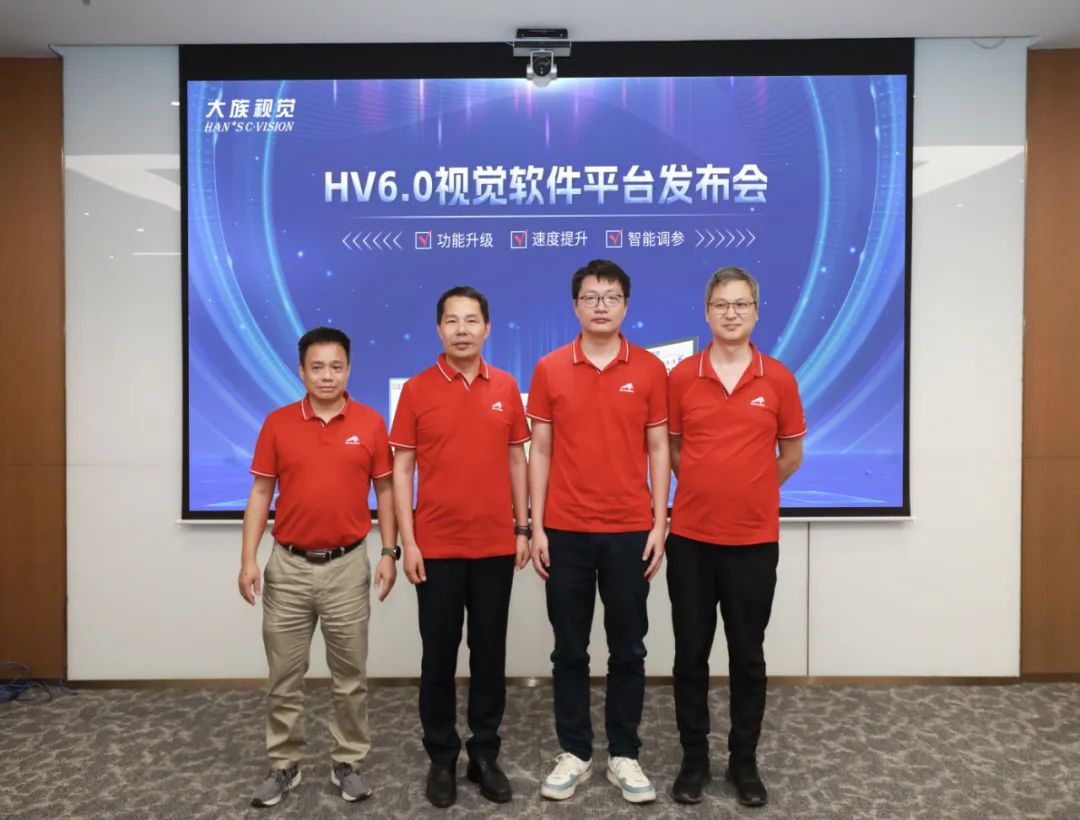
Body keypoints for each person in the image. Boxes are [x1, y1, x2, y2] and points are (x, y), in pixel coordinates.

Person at [238, 326, 399, 808]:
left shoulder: (370, 422)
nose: (327, 376)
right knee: (283, 677)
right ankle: (283, 764)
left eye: (336, 367)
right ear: (301, 371)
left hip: (347, 567)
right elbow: (261, 493)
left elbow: (386, 492)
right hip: (287, 568)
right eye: (317, 367)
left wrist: (389, 552)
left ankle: (347, 762)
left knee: (350, 678)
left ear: (348, 369)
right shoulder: (278, 423)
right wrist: (248, 558)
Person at [527, 259, 670, 804]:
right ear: (575, 306)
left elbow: (658, 448)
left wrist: (660, 521)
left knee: (628, 648)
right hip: (565, 531)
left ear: (626, 305)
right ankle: (576, 752)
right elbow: (540, 450)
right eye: (590, 297)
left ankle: (624, 754)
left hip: (630, 530)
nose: (601, 306)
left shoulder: (650, 369)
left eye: (611, 297)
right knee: (569, 649)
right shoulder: (550, 368)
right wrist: (537, 526)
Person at [666, 266, 806, 807]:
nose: (731, 313)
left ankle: (743, 761)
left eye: (741, 304)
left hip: (753, 541)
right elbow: (673, 449)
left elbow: (790, 455)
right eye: (721, 305)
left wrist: (750, 488)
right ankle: (694, 760)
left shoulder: (779, 379)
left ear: (755, 312)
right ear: (707, 313)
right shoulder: (682, 377)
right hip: (692, 540)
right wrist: (706, 486)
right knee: (690, 655)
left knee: (748, 656)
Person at [389, 286, 531, 808]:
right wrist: (408, 541)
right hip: (437, 547)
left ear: (487, 328)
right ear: (439, 329)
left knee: (490, 656)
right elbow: (402, 468)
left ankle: (485, 755)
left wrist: (522, 528)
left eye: (472, 320)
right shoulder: (417, 390)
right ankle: (443, 758)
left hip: (494, 546)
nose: (462, 329)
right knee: (438, 659)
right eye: (452, 320)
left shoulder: (507, 386)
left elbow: (517, 459)